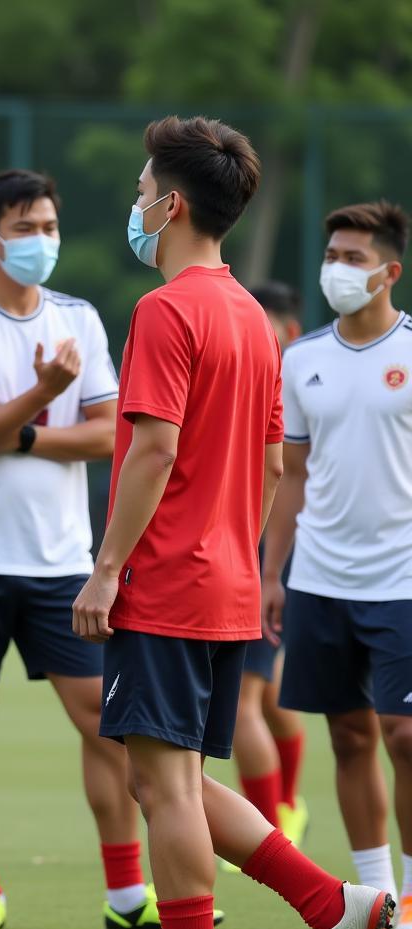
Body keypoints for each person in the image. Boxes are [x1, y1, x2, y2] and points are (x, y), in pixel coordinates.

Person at [73, 116, 392, 929]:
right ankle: (335, 906)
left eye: (141, 193)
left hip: (166, 582)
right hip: (226, 583)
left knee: (160, 786)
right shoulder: (255, 317)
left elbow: (150, 453)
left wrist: (107, 568)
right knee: (174, 777)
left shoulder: (165, 310)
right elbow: (272, 466)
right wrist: (233, 557)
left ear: (171, 205)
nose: (136, 206)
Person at [0, 168, 187, 929]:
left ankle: (127, 893)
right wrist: (41, 396)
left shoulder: (80, 319)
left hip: (64, 560)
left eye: (49, 226)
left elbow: (109, 435)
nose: (42, 241)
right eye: (26, 228)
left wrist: (24, 430)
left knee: (105, 720)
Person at [263, 200, 412, 929]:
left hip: (403, 578)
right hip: (321, 577)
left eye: (354, 259)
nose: (337, 270)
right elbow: (291, 474)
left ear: (391, 271)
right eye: (332, 255)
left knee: (405, 734)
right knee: (350, 736)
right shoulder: (303, 358)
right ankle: (377, 893)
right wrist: (271, 572)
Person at [225, 282, 307, 857]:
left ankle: (269, 828)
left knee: (243, 702)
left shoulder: (297, 381)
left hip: (266, 547)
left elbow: (281, 472)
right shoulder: (244, 372)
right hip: (262, 546)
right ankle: (289, 805)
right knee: (269, 692)